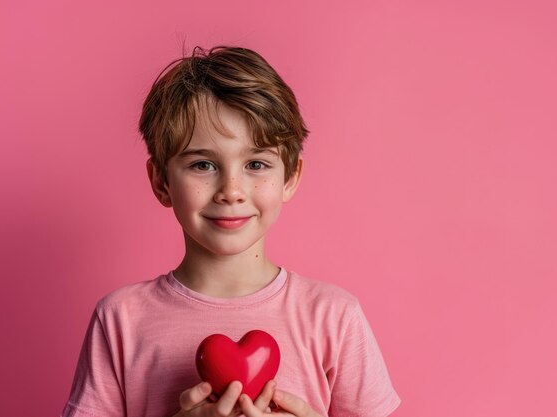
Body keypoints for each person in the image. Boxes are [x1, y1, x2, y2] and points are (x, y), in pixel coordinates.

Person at [61, 45, 400, 417]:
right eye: (203, 164)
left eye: (256, 164)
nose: (232, 191)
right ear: (160, 181)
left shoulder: (334, 317)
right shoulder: (120, 320)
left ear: (290, 178)